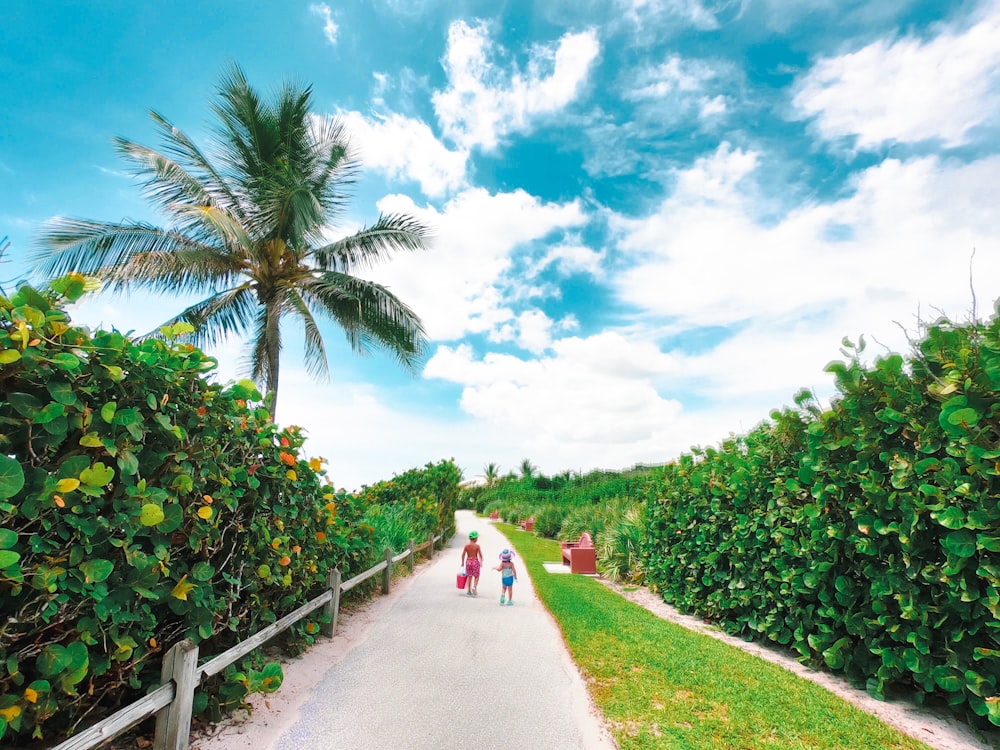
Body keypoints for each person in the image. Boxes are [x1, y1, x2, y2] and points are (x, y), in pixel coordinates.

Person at [461, 530, 483, 596]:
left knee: (469, 576)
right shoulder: (477, 546)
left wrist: (462, 562)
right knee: (477, 576)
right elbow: (480, 555)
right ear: (475, 538)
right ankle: (474, 586)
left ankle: (469, 591)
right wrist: (481, 561)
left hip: (468, 561)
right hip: (475, 561)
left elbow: (463, 555)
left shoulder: (466, 546)